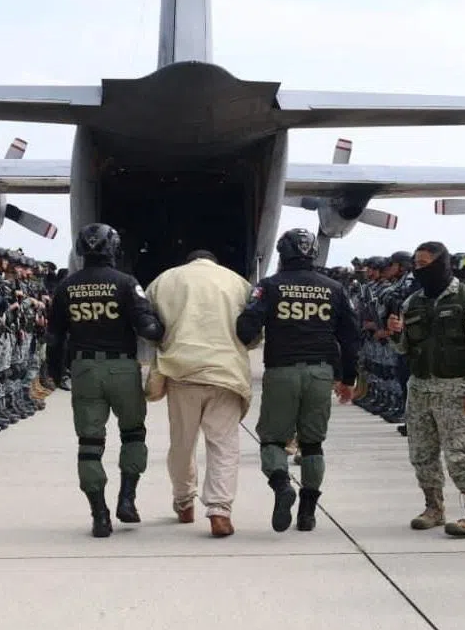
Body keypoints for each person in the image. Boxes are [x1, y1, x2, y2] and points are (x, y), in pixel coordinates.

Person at [236, 229, 359, 532]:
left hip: (282, 371)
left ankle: (281, 487)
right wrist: (349, 378)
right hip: (321, 373)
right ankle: (307, 512)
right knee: (313, 444)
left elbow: (246, 330)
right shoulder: (334, 288)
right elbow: (351, 337)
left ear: (282, 252)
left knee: (273, 440)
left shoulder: (269, 286)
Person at [47, 223, 164, 537]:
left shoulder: (66, 287)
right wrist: (162, 327)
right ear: (114, 248)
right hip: (122, 369)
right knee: (134, 435)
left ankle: (100, 515)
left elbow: (55, 337)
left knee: (89, 445)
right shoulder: (126, 284)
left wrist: (54, 374)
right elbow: (148, 329)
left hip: (84, 371)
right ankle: (127, 498)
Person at [387, 241, 465, 537]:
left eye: (423, 265)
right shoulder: (413, 303)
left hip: (455, 389)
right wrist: (395, 334)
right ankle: (433, 507)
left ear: (439, 264)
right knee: (422, 452)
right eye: (415, 265)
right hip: (420, 389)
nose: (418, 270)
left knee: (460, 453)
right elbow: (404, 347)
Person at [146, 249, 254, 537]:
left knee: (182, 443)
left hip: (182, 371)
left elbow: (148, 325)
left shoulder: (164, 280)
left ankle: (184, 502)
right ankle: (220, 510)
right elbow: (253, 333)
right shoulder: (238, 282)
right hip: (226, 373)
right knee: (224, 445)